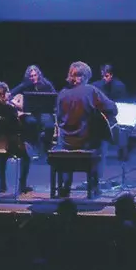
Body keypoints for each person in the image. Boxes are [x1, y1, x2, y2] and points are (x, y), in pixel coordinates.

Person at [55, 61, 118, 197]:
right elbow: (112, 108)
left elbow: (59, 117)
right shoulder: (90, 90)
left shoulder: (62, 93)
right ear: (85, 76)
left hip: (66, 142)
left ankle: (66, 186)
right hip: (85, 142)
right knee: (103, 141)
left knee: (66, 144)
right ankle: (95, 185)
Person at [0, 81, 32, 193]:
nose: (9, 94)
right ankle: (22, 185)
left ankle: (2, 183)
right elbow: (17, 128)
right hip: (9, 146)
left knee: (1, 151)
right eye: (7, 92)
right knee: (26, 156)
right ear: (2, 94)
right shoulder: (9, 108)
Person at [11, 65, 57, 153]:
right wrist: (16, 104)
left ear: (38, 75)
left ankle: (46, 147)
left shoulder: (46, 84)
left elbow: (54, 96)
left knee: (49, 126)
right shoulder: (25, 85)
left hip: (44, 112)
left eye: (35, 75)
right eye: (31, 76)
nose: (33, 78)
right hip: (30, 113)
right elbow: (10, 94)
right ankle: (34, 148)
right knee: (30, 123)